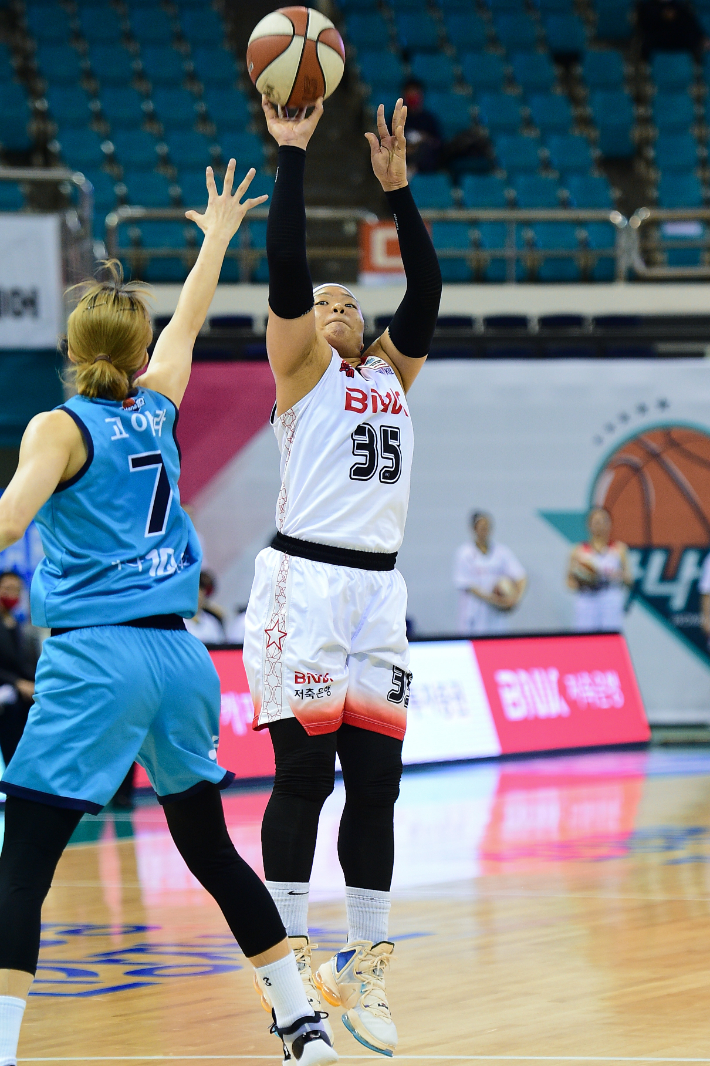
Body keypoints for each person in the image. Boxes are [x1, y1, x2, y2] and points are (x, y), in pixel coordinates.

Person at [0, 163, 337, 1066]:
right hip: (181, 660)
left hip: (96, 659)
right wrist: (218, 235)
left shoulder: (56, 426)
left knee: (22, 864)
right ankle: (302, 1027)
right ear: (135, 348)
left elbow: (6, 521)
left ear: (74, 348)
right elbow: (189, 317)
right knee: (210, 851)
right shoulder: (156, 408)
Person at [243, 95, 441, 1057]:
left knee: (379, 785)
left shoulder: (389, 374)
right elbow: (286, 267)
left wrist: (399, 200)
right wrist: (292, 157)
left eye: (347, 299)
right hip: (306, 587)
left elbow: (428, 292)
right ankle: (289, 971)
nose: (337, 304)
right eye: (323, 302)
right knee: (303, 779)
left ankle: (363, 969)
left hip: (380, 594)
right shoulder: (299, 370)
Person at [453, 512, 527, 635]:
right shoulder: (464, 553)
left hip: (496, 618)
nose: (484, 531)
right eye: (481, 528)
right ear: (473, 529)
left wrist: (515, 598)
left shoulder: (501, 552)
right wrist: (496, 600)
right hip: (473, 616)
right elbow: (468, 586)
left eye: (487, 527)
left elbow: (521, 576)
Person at [567, 506, 633, 632]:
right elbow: (569, 583)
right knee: (584, 640)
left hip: (610, 598)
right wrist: (585, 579)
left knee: (610, 638)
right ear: (588, 525)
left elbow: (629, 580)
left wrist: (619, 576)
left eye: (604, 521)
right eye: (596, 522)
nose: (600, 525)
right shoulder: (578, 551)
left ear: (610, 524)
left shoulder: (618, 549)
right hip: (587, 599)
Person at [0, 571, 39, 772]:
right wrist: (16, 683)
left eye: (16, 589)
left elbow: (29, 666)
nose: (11, 593)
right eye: (6, 588)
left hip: (24, 698)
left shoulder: (22, 628)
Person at [636, 0, 708, 58]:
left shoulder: (681, 8)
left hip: (680, 48)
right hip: (657, 49)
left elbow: (691, 28)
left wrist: (700, 39)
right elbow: (645, 29)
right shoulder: (647, 8)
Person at [401, 78, 442, 174]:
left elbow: (437, 143)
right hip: (403, 156)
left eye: (415, 92)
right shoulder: (396, 118)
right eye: (409, 92)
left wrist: (424, 138)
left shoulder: (429, 119)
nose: (412, 96)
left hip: (426, 162)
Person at [185, 569, 227, 645]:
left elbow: (221, 648)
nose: (200, 596)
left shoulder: (212, 622)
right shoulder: (175, 621)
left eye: (203, 592)